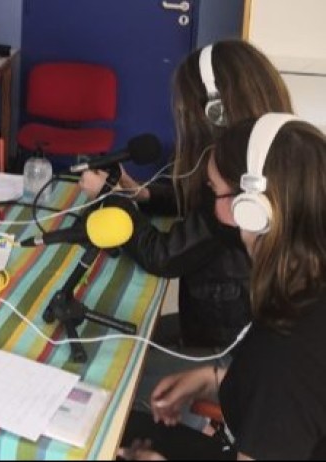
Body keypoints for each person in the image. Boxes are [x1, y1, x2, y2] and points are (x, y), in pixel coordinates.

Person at [120, 114, 326, 460]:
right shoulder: (301, 287)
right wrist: (212, 379)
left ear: (252, 209)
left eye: (213, 191)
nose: (210, 206)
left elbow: (282, 390)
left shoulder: (285, 355)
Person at [80, 40, 293, 349]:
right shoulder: (260, 160)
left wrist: (110, 197)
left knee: (113, 344)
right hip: (216, 317)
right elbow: (201, 205)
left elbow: (162, 256)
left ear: (217, 112)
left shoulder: (240, 187)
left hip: (221, 345)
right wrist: (141, 193)